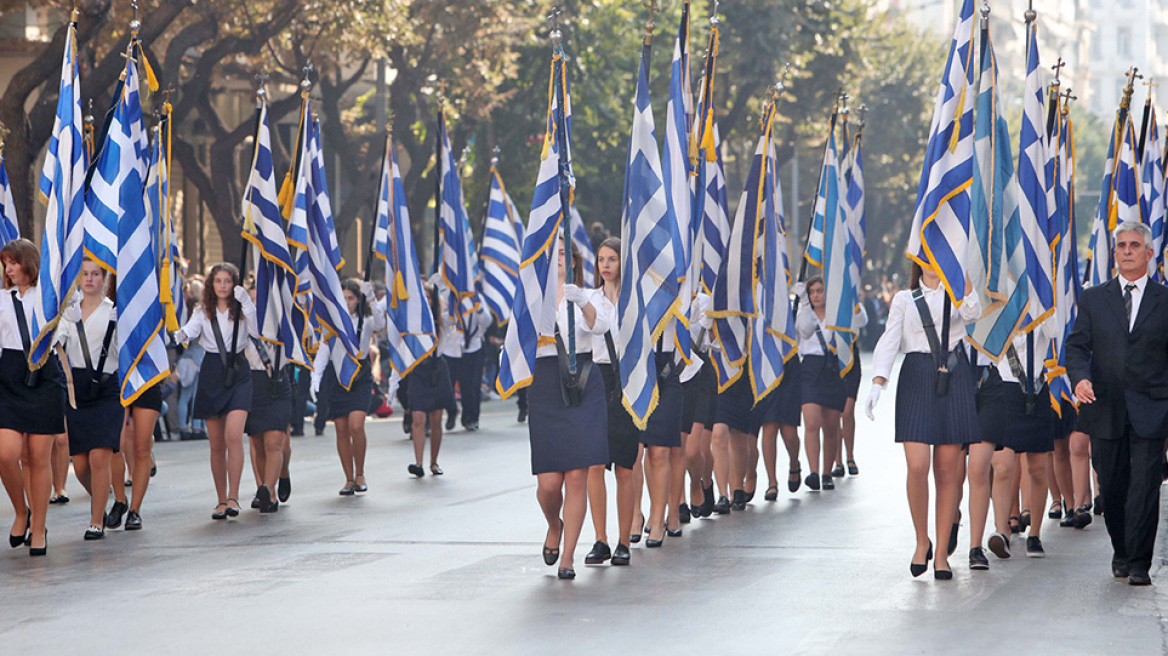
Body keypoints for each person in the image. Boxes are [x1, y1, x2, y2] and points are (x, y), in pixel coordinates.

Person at [1066, 220, 1168, 586]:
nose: (1127, 251)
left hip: (1152, 410)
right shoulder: (1094, 297)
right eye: (1121, 245)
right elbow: (1076, 346)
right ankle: (1121, 550)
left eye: (1134, 245)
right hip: (1104, 407)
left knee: (1145, 487)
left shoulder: (1164, 299)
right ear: (1115, 252)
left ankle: (1139, 562)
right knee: (1112, 486)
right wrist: (1079, 377)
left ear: (1149, 253)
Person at [866, 262, 980, 580]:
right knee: (917, 466)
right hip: (916, 376)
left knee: (947, 472)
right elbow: (890, 339)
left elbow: (973, 312)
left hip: (953, 375)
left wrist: (961, 272)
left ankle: (942, 553)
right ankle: (922, 541)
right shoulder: (904, 298)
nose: (933, 262)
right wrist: (878, 381)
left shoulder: (958, 294)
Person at [527, 239, 609, 579]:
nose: (558, 259)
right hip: (545, 385)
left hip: (581, 383)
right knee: (549, 483)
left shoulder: (586, 295)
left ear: (574, 260)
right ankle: (553, 524)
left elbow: (600, 326)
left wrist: (580, 303)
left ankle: (569, 557)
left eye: (564, 253)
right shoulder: (533, 300)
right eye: (553, 253)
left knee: (577, 475)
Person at [968, 324, 1059, 570]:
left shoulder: (1039, 302)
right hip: (1004, 388)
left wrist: (1043, 304)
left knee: (1038, 468)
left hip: (1036, 388)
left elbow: (1054, 331)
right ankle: (1002, 530)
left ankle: (1035, 534)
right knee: (1003, 466)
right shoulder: (1000, 309)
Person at [175, 263, 257, 520]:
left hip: (238, 370)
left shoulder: (243, 310)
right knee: (216, 444)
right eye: (218, 281)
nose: (222, 285)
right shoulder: (202, 311)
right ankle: (221, 499)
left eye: (227, 281)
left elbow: (257, 332)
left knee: (234, 435)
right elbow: (190, 332)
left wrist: (248, 304)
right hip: (212, 371)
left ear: (235, 284)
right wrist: (176, 335)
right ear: (212, 284)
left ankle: (234, 496)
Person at [0, 239, 67, 556]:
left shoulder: (49, 298)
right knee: (6, 453)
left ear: (29, 262)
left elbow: (69, 323)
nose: (10, 269)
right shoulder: (1, 299)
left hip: (44, 374)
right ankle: (21, 511)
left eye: (14, 262)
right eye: (6, 264)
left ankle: (38, 528)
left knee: (38, 458)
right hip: (10, 375)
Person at [56, 259, 120, 539]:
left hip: (107, 389)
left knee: (98, 458)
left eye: (96, 274)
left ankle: (96, 520)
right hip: (77, 389)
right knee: (80, 464)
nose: (90, 279)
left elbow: (124, 352)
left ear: (104, 278)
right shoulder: (69, 314)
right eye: (85, 274)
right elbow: (56, 343)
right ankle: (100, 501)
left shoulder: (114, 313)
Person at [584, 238, 637, 566]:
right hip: (597, 380)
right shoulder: (589, 299)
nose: (605, 265)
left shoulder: (634, 300)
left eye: (612, 259)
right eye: (601, 259)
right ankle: (600, 539)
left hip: (628, 380)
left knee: (624, 467)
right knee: (594, 464)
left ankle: (623, 541)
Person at [311, 279, 385, 494]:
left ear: (357, 300)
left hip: (359, 374)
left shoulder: (366, 320)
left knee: (356, 425)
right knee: (341, 429)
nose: (347, 302)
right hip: (337, 375)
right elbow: (324, 351)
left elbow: (379, 324)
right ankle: (349, 478)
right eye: (343, 298)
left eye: (351, 298)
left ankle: (360, 472)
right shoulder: (333, 323)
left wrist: (371, 297)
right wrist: (316, 376)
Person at [795, 276, 865, 491]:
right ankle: (814, 472)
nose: (816, 295)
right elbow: (804, 330)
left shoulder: (840, 310)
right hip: (811, 367)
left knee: (831, 426)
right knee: (812, 422)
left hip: (835, 366)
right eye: (812, 291)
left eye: (820, 291)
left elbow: (861, 321)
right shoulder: (804, 310)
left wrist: (851, 298)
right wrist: (804, 302)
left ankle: (827, 472)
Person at [402, 283, 454, 478]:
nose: (426, 302)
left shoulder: (442, 321)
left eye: (429, 298)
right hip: (418, 369)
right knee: (418, 418)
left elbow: (454, 309)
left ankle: (434, 461)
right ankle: (418, 462)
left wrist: (442, 287)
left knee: (435, 418)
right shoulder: (412, 321)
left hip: (437, 369)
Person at [445, 302, 491, 431]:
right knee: (447, 386)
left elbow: (487, 321)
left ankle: (470, 417)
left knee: (471, 386)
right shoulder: (446, 298)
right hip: (449, 348)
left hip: (472, 347)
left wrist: (478, 307)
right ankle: (451, 411)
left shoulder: (475, 299)